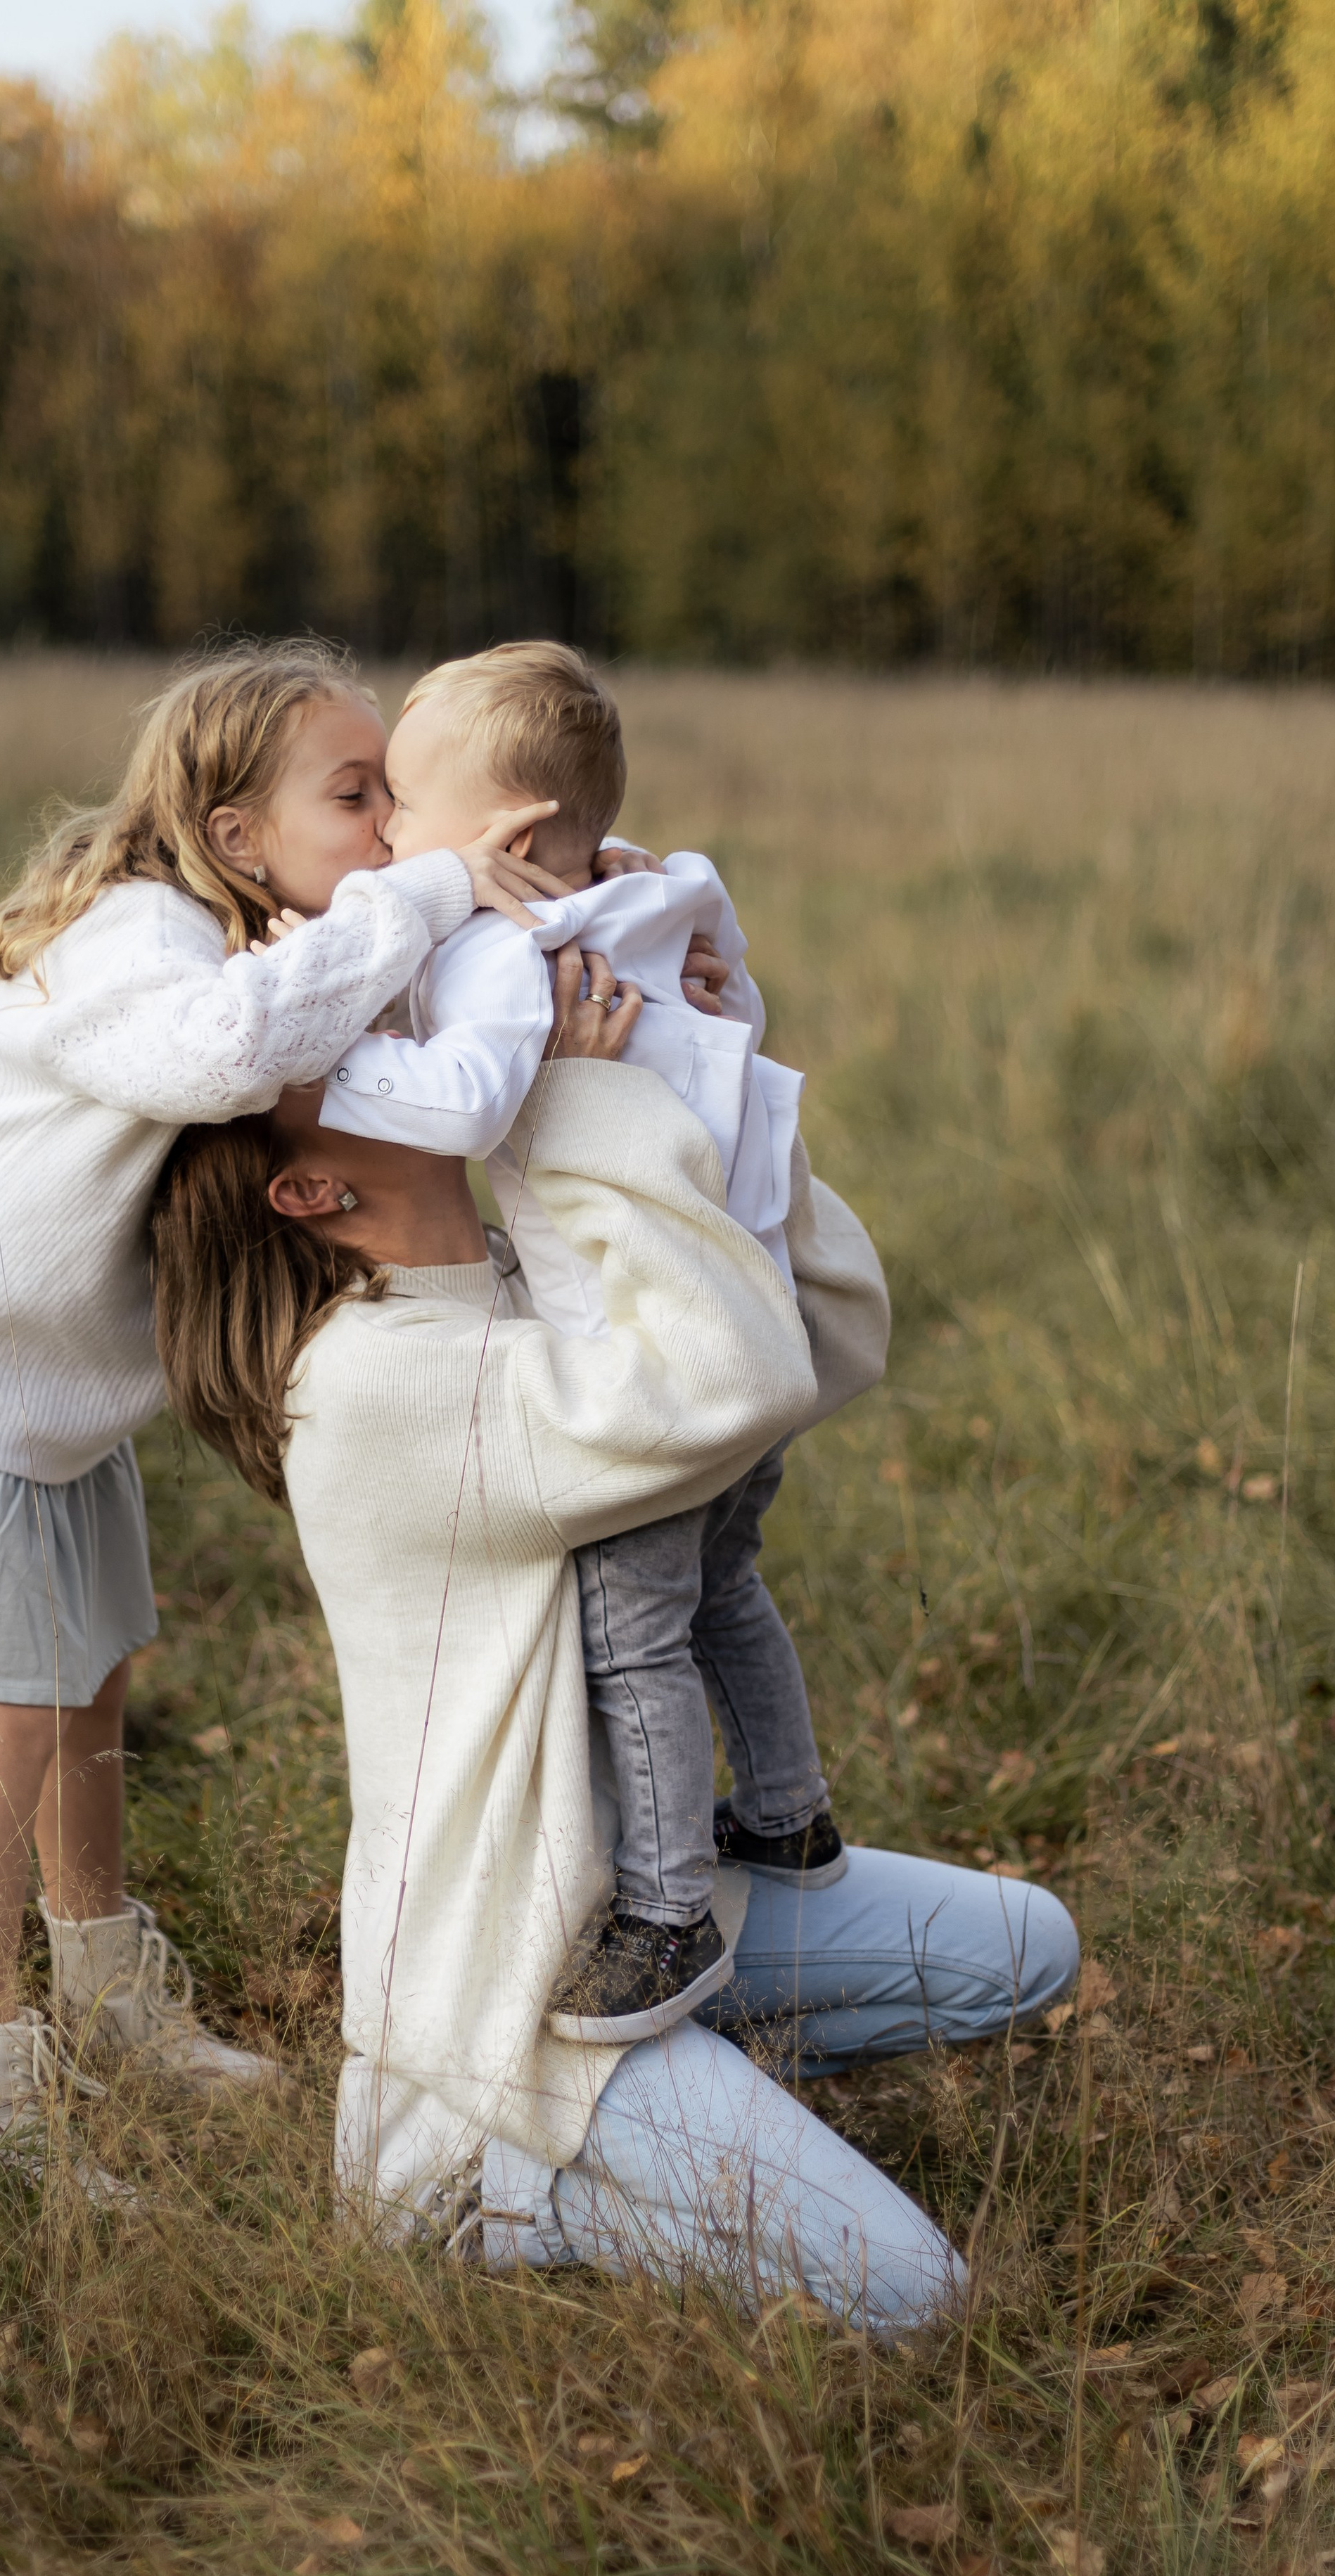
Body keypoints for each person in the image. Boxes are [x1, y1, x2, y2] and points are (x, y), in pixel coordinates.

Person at [148, 947, 1080, 2325]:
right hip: (512, 1997)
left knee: (1025, 1948)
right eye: (357, 1072)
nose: (414, 1046)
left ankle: (691, 2084)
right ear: (313, 1191)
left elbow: (822, 1338)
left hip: (643, 1910)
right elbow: (729, 1372)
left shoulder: (517, 1284)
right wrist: (578, 1105)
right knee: (918, 2299)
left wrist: (699, 1061)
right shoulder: (370, 1385)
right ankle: (469, 2193)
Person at [0, 637, 563, 2189]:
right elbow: (229, 1053)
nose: (395, 839)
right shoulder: (141, 939)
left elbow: (402, 1056)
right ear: (233, 835)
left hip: (46, 1395)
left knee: (97, 1675)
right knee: (11, 1715)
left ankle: (108, 1984)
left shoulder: (272, 933)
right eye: (360, 800)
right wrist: (428, 894)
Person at [255, 639, 845, 2044]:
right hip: (746, 1304)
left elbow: (460, 1103)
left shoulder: (501, 952)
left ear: (509, 839)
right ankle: (788, 1817)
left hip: (656, 1343)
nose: (392, 835)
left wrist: (320, 1047)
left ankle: (665, 1912)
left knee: (630, 1627)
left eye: (403, 803)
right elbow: (720, 980)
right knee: (726, 1586)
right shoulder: (659, 891)